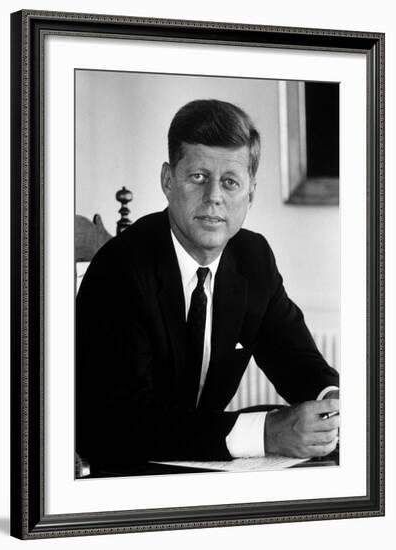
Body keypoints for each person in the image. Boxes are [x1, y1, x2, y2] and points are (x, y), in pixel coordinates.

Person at [76, 99, 339, 470]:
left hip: (206, 469)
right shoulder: (121, 269)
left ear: (250, 193)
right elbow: (120, 422)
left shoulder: (253, 258)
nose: (214, 196)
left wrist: (334, 404)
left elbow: (297, 361)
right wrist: (263, 433)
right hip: (123, 476)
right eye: (198, 176)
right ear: (168, 181)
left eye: (230, 182)